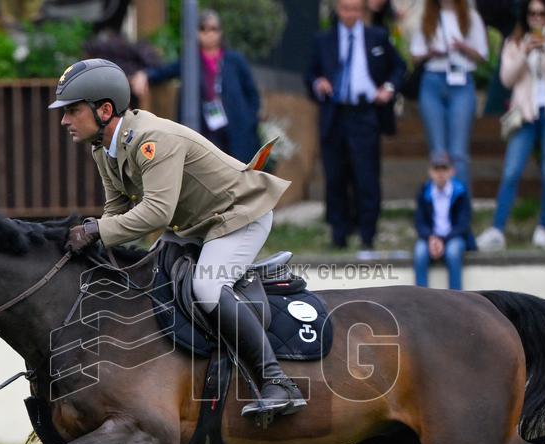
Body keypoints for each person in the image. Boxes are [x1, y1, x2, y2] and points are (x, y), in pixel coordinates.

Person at [51, 59, 306, 421]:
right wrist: (93, 243)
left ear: (104, 110)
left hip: (238, 215)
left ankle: (277, 382)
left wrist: (95, 231)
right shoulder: (102, 148)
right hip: (194, 224)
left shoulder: (152, 141)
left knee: (206, 287)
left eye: (72, 111)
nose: (64, 121)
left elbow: (155, 213)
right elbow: (116, 210)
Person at [305, 0, 407, 255]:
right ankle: (339, 235)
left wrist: (389, 88)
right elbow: (310, 74)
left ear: (361, 11)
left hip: (365, 114)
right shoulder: (322, 40)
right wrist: (319, 83)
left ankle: (367, 235)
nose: (349, 14)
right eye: (345, 8)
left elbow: (399, 67)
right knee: (335, 177)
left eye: (354, 9)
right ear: (338, 10)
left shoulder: (378, 37)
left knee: (367, 176)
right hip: (335, 113)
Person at [478, 0, 545, 251]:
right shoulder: (514, 42)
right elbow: (506, 79)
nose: (537, 18)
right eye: (532, 13)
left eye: (542, 13)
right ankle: (497, 230)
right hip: (525, 114)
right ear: (526, 16)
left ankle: (544, 228)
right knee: (511, 171)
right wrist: (525, 53)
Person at [130, 10, 262, 164]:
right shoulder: (190, 60)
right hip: (205, 132)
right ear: (197, 32)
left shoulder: (235, 60)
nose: (209, 33)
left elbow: (252, 94)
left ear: (221, 32)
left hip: (236, 132)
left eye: (213, 28)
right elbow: (164, 72)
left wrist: (249, 120)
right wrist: (144, 75)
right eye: (203, 29)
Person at [410, 0, 488, 187]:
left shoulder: (471, 16)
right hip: (432, 80)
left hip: (461, 81)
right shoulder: (427, 17)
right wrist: (430, 53)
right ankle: (439, 210)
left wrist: (463, 47)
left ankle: (459, 210)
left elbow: (483, 56)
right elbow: (414, 55)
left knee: (458, 153)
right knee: (438, 152)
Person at [413, 152, 476, 290]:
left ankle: (456, 298)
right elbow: (419, 221)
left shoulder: (460, 191)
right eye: (436, 169)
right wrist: (431, 238)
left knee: (453, 253)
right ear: (430, 172)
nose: (440, 173)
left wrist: (443, 240)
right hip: (431, 237)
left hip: (454, 236)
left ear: (452, 171)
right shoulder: (424, 191)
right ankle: (421, 298)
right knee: (419, 252)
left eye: (444, 169)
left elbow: (463, 223)